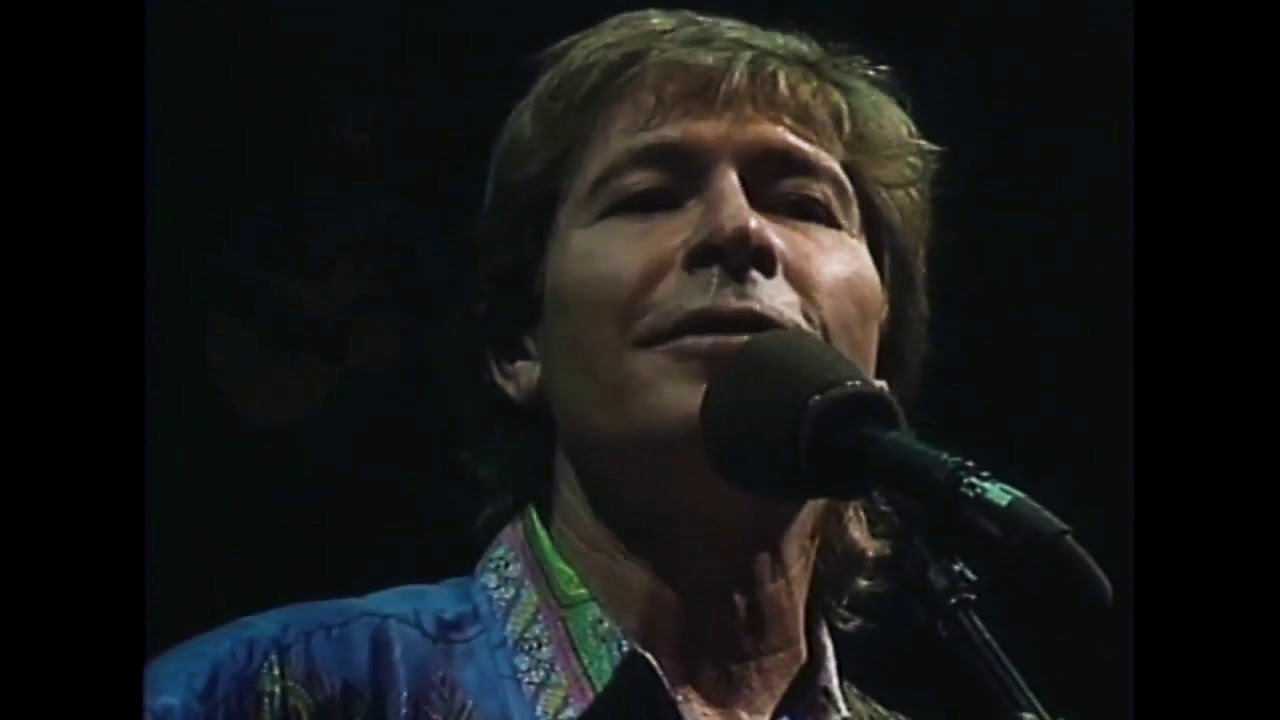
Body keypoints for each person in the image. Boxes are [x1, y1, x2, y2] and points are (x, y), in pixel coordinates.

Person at [145, 8, 942, 719]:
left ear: (876, 364)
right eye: (649, 197)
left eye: (802, 204)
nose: (740, 230)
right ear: (519, 345)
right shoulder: (261, 694)